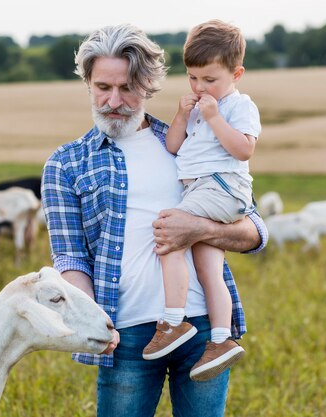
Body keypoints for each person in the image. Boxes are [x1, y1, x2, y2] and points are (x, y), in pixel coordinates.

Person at [41, 24, 267, 417]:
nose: (114, 100)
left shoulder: (187, 143)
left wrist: (201, 230)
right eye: (102, 87)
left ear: (148, 85)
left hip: (202, 331)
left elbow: (254, 231)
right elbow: (70, 258)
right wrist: (93, 320)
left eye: (127, 87)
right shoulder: (65, 164)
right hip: (124, 334)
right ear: (88, 85)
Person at [142, 20, 261, 382]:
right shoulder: (196, 108)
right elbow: (174, 146)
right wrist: (183, 114)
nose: (200, 86)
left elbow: (243, 149)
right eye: (193, 78)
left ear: (236, 73)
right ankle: (222, 339)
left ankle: (173, 322)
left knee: (170, 232)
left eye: (210, 79)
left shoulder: (239, 106)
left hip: (221, 187)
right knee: (209, 268)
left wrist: (213, 116)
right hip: (202, 190)